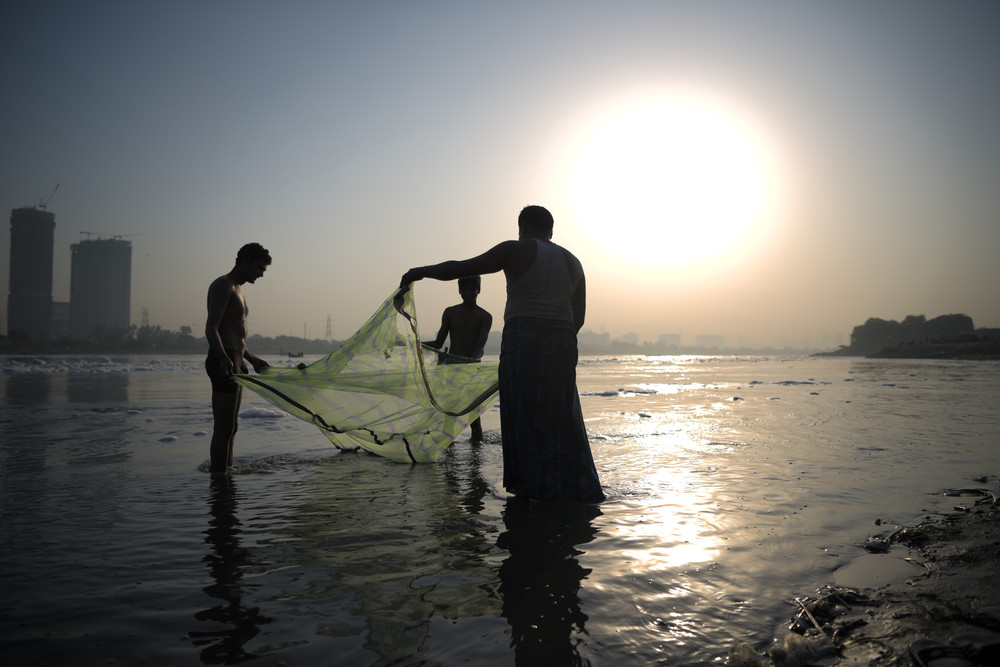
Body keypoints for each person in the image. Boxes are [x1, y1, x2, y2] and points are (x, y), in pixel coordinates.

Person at [401, 205, 604, 501]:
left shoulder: (516, 250)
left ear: (523, 227)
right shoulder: (574, 262)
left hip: (524, 338)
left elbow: (461, 268)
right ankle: (570, 487)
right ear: (551, 230)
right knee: (561, 413)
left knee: (523, 413)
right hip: (562, 340)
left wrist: (420, 272)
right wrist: (556, 341)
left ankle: (530, 490)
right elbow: (579, 319)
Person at [205, 243, 272, 473]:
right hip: (223, 361)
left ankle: (227, 473)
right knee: (223, 428)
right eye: (259, 268)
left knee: (232, 427)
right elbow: (211, 328)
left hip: (237, 360)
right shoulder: (223, 285)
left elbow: (237, 337)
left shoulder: (239, 290)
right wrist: (223, 358)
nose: (261, 274)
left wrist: (252, 359)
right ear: (245, 261)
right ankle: (219, 480)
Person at [423, 275, 493, 442]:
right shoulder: (450, 312)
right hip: (450, 369)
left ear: (479, 290)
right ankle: (447, 446)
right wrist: (413, 343)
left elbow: (480, 348)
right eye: (466, 290)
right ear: (460, 291)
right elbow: (438, 343)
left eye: (473, 289)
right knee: (449, 412)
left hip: (471, 370)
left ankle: (477, 450)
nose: (469, 293)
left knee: (473, 415)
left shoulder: (485, 317)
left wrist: (471, 361)